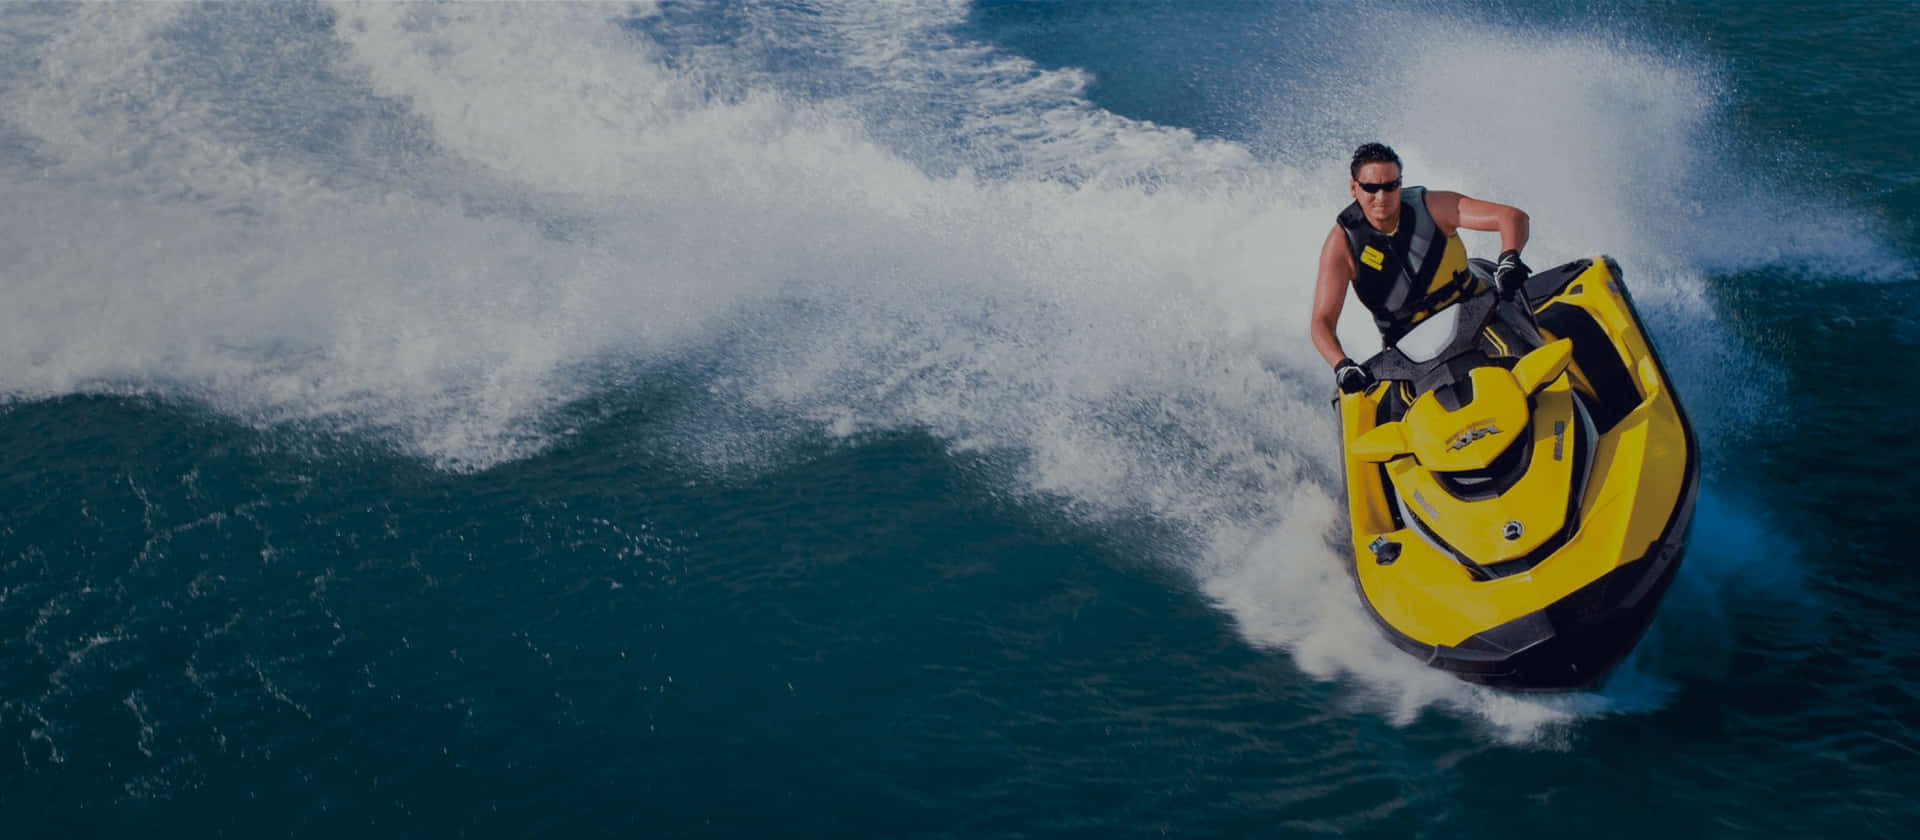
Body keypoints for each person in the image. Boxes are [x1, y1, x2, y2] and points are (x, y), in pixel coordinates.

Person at [1311, 143, 1533, 395]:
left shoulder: (1433, 206)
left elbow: (1511, 217)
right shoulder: (1341, 245)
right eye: (1371, 188)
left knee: (1520, 364)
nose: (1381, 196)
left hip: (1477, 313)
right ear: (1354, 187)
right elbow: (1321, 322)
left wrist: (1509, 257)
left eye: (1390, 186)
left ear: (1400, 183)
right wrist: (1341, 364)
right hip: (1408, 346)